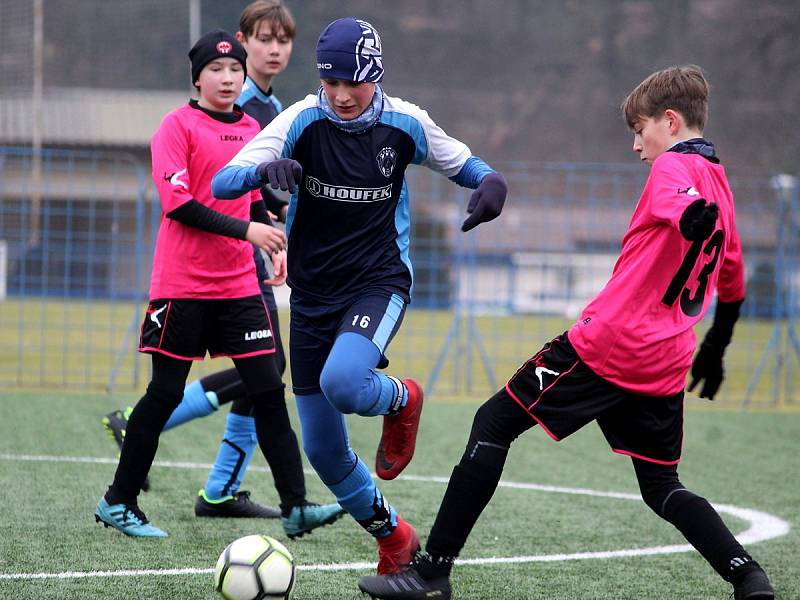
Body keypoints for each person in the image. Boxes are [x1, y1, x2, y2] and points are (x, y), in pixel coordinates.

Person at [357, 65, 775, 599]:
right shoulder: (722, 181)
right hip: (665, 362)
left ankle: (432, 573)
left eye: (640, 129)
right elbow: (733, 273)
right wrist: (716, 345)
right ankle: (749, 577)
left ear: (670, 122)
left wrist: (689, 213)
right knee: (662, 487)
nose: (636, 145)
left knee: (493, 422)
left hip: (609, 346)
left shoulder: (675, 168)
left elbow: (678, 200)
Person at [211, 17, 508, 573]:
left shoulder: (405, 123)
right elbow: (222, 183)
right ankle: (394, 537)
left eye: (355, 82)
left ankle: (401, 397)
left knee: (344, 383)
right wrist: (263, 172)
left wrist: (492, 184)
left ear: (376, 75)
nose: (343, 96)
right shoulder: (300, 118)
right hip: (313, 297)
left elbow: (467, 166)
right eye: (332, 83)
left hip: (379, 281)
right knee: (322, 449)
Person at [101, 1, 343, 538]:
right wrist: (250, 232)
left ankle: (296, 506)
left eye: (235, 69)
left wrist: (270, 240)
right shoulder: (175, 126)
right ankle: (118, 501)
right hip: (182, 286)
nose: (229, 77)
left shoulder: (254, 126)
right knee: (163, 393)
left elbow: (253, 201)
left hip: (238, 287)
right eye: (217, 69)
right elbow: (180, 205)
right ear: (198, 77)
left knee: (266, 388)